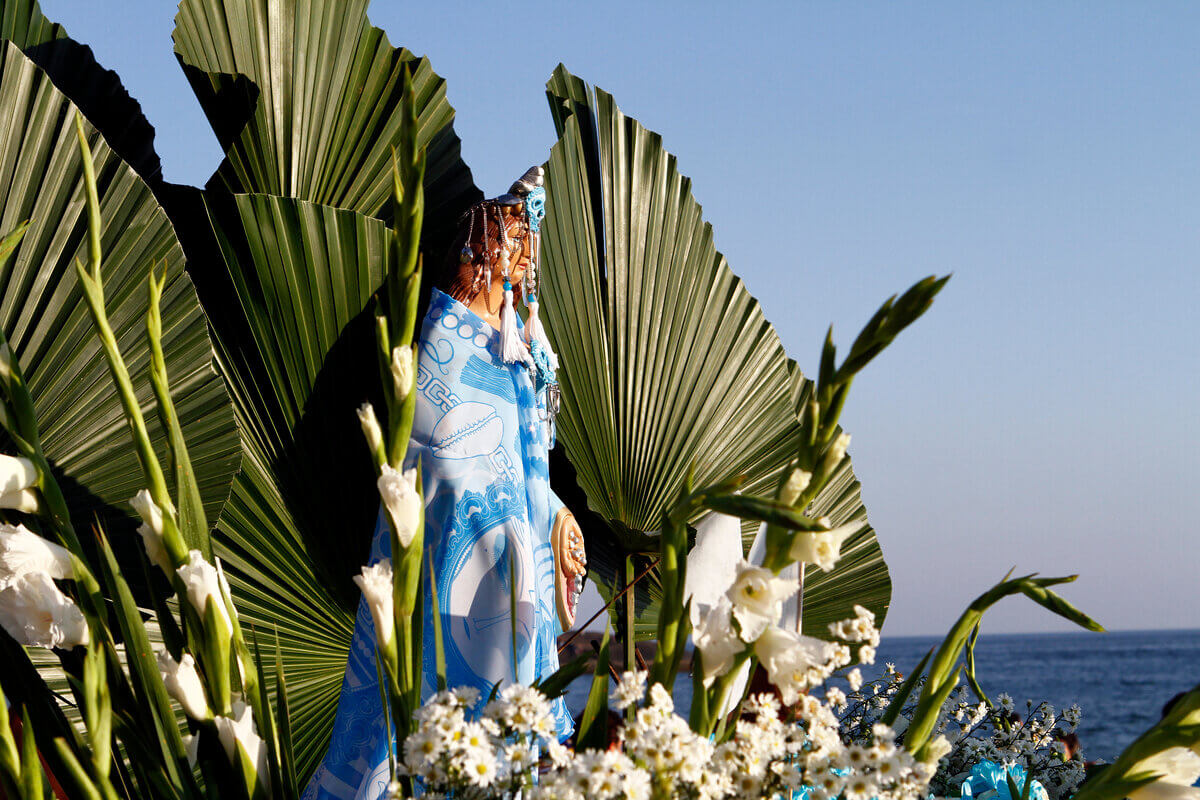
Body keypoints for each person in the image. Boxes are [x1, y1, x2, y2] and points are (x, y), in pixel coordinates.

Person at [303, 168, 587, 800]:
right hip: (453, 559)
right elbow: (438, 458)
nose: (520, 262)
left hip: (505, 569)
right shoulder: (446, 337)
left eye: (525, 247)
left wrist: (553, 518)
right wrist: (498, 512)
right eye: (511, 244)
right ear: (485, 249)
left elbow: (526, 461)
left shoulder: (514, 350)